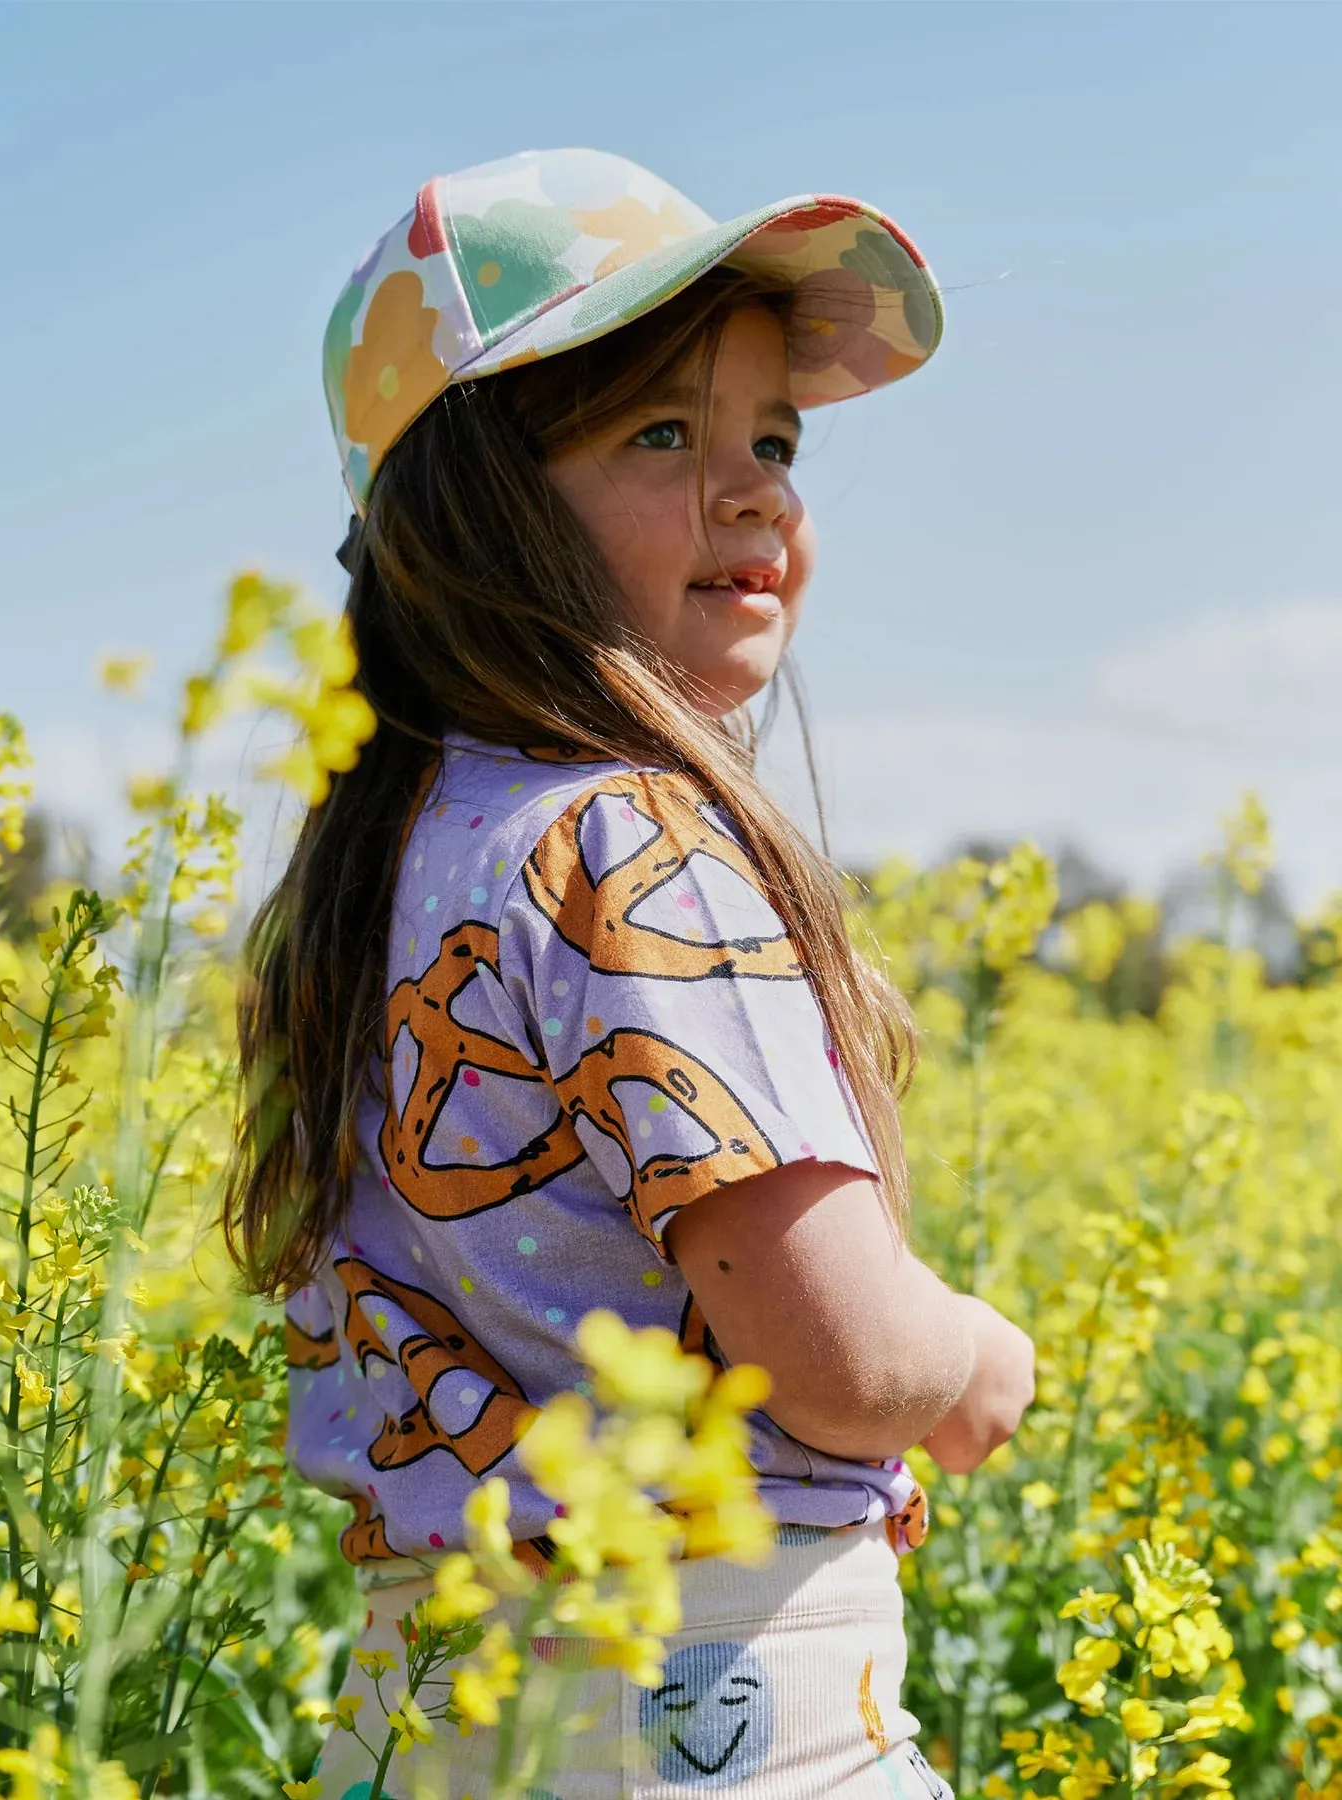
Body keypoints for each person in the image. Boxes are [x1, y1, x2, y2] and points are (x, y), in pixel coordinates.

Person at [225, 147, 1035, 1799]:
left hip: (420, 1710)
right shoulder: (631, 848)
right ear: (478, 511)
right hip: (722, 1715)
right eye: (662, 432)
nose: (758, 494)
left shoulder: (371, 869)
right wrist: (966, 1358)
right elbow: (836, 1355)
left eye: (776, 440)